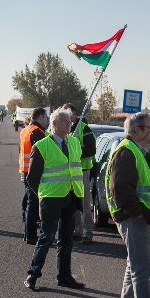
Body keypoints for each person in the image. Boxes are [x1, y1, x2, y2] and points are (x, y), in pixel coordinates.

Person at [105, 112, 150, 298]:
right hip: (133, 219)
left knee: (134, 266)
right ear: (137, 130)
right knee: (142, 269)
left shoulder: (136, 150)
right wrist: (138, 212)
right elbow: (120, 191)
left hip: (138, 218)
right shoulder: (126, 152)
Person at [23, 108, 85, 291]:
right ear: (55, 124)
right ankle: (33, 275)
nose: (69, 124)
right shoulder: (41, 146)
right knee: (46, 237)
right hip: (51, 199)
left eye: (70, 122)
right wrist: (43, 195)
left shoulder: (74, 142)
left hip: (71, 197)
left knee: (66, 239)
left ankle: (64, 276)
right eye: (65, 122)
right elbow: (32, 179)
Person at [62, 103, 96, 244]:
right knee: (74, 204)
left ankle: (88, 232)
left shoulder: (84, 129)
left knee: (86, 204)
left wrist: (75, 152)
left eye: (69, 113)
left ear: (75, 113)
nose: (67, 116)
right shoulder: (65, 129)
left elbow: (92, 149)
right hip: (69, 172)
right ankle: (77, 231)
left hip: (83, 171)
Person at [19, 107, 49, 244]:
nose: (48, 120)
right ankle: (30, 235)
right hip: (34, 172)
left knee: (30, 201)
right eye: (46, 117)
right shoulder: (37, 133)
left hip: (25, 170)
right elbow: (41, 155)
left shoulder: (25, 130)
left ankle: (28, 233)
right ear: (40, 117)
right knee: (33, 203)